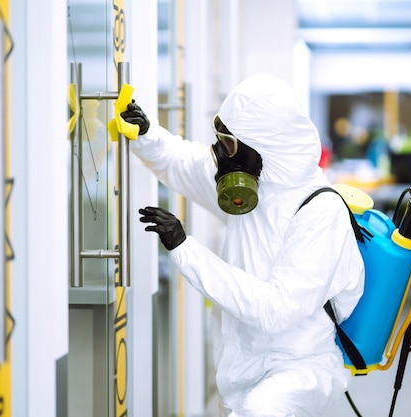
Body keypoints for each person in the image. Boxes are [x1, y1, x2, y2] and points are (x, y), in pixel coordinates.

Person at [121, 73, 364, 417]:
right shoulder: (253, 182)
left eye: (228, 143)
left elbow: (274, 308)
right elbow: (182, 163)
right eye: (219, 139)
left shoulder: (320, 212)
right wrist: (147, 134)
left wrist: (184, 248)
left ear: (261, 144)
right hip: (240, 366)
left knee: (259, 409)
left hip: (299, 368)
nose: (218, 153)